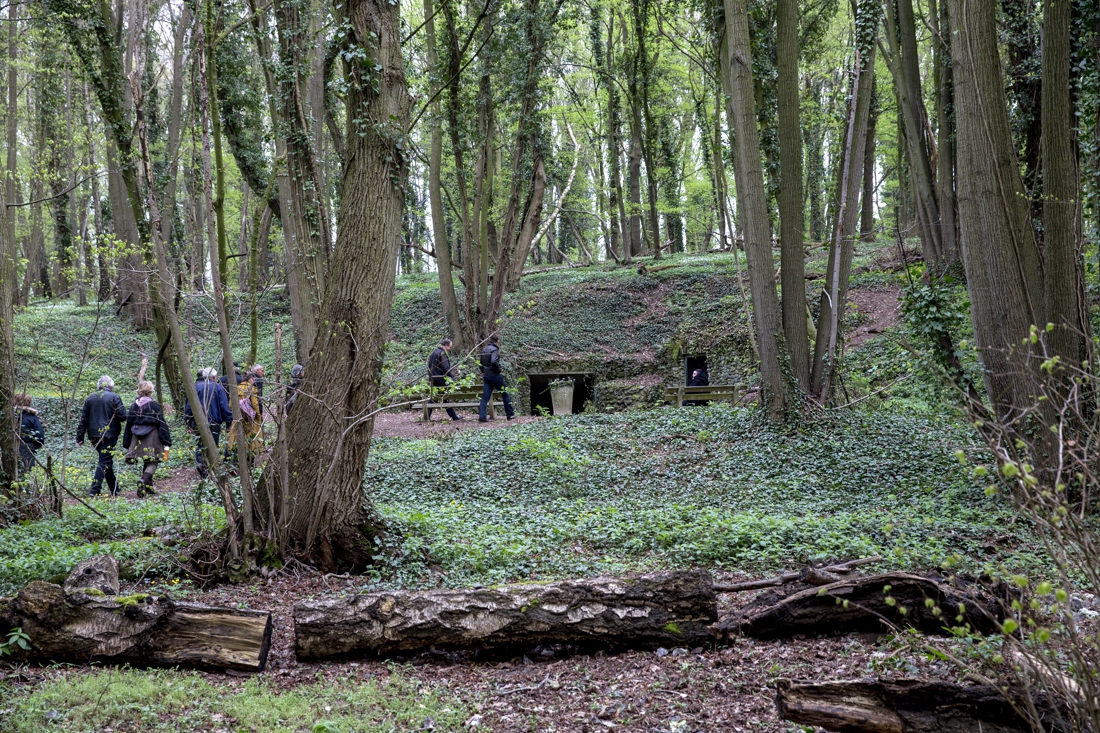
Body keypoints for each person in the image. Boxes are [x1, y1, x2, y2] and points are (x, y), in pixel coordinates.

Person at [76, 375, 127, 496]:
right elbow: (123, 416)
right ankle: (95, 490)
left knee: (105, 460)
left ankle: (115, 489)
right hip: (109, 434)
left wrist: (79, 437)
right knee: (104, 461)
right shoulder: (114, 397)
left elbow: (83, 419)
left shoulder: (90, 398)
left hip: (93, 434)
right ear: (111, 386)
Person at [123, 381, 172, 497]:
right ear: (150, 390)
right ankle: (144, 480)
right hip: (152, 436)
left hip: (136, 437)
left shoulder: (133, 405)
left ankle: (148, 488)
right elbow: (161, 423)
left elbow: (128, 424)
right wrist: (167, 441)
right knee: (153, 461)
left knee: (147, 460)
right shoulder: (154, 405)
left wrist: (127, 443)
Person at [184, 368, 232, 478]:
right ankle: (209, 470)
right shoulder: (218, 388)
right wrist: (228, 422)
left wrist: (188, 423)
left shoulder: (195, 388)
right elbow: (224, 406)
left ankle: (202, 466)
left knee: (200, 445)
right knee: (212, 445)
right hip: (214, 422)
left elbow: (188, 408)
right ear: (214, 377)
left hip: (198, 423)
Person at [227, 370, 263, 464]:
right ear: (251, 379)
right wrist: (258, 417)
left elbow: (231, 405)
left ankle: (235, 461)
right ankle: (249, 460)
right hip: (250, 419)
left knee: (236, 437)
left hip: (238, 417)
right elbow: (255, 404)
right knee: (251, 438)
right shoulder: (252, 389)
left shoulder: (236, 389)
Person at [478, 333, 515, 422]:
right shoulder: (494, 350)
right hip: (494, 375)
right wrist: (499, 370)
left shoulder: (484, 350)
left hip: (486, 376)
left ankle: (482, 417)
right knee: (505, 393)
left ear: (490, 340)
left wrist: (483, 371)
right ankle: (510, 415)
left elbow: (480, 364)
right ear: (497, 341)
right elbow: (494, 361)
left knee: (485, 397)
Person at [427, 338, 463, 422]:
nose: (449, 349)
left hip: (433, 378)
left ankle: (427, 416)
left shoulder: (433, 353)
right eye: (449, 347)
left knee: (436, 398)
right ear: (445, 345)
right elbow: (446, 367)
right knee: (441, 398)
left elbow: (429, 367)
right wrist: (451, 377)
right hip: (440, 379)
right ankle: (454, 417)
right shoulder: (442, 353)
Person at [14, 393, 44, 473]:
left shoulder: (11, 417)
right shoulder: (32, 418)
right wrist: (33, 445)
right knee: (28, 472)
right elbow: (40, 437)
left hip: (12, 447)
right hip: (27, 448)